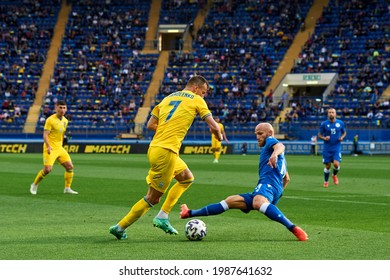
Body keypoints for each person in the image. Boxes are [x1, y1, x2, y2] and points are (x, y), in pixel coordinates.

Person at [109, 75, 222, 240]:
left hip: (156, 148)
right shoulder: (197, 100)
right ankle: (120, 227)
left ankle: (163, 215)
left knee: (186, 178)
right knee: (153, 198)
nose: (203, 96)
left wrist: (167, 129)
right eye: (203, 92)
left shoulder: (166, 99)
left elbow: (149, 125)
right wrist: (218, 134)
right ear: (196, 88)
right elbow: (213, 124)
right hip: (166, 152)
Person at [180, 122, 308, 241]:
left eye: (260, 133)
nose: (257, 137)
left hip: (267, 185)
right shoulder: (281, 159)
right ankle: (189, 213)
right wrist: (276, 196)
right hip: (271, 188)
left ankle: (293, 228)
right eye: (256, 134)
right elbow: (287, 178)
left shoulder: (271, 143)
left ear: (269, 133)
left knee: (258, 202)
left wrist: (274, 155)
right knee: (230, 201)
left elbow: (281, 146)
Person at [30, 100, 78, 195]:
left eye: (64, 108)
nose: (62, 110)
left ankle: (67, 188)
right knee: (47, 170)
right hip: (50, 147)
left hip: (59, 148)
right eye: (60, 107)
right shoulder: (50, 120)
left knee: (70, 167)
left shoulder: (65, 121)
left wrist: (62, 145)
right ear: (56, 108)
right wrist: (48, 146)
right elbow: (45, 135)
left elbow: (61, 134)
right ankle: (34, 185)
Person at [318, 108, 347, 188]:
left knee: (336, 164)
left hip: (336, 147)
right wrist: (324, 138)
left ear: (335, 114)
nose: (331, 114)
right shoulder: (324, 124)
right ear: (328, 114)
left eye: (332, 112)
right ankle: (326, 181)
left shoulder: (340, 123)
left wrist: (342, 137)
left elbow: (344, 132)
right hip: (327, 148)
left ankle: (334, 175)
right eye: (329, 112)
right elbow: (319, 135)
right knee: (327, 166)